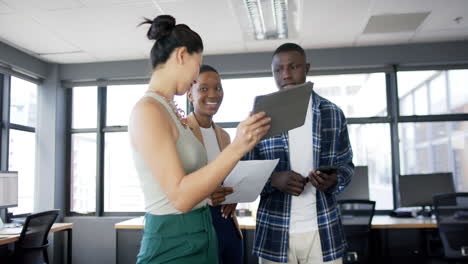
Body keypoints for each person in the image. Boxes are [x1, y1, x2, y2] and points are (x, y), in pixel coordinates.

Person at [129, 15, 270, 264]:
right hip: (172, 245)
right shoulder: (148, 110)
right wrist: (238, 146)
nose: (197, 77)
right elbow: (180, 198)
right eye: (198, 64)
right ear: (182, 55)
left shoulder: (171, 110)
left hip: (201, 236)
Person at [243, 43, 354, 264]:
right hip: (275, 231)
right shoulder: (260, 117)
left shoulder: (332, 113)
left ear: (307, 68)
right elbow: (246, 176)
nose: (285, 75)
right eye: (278, 70)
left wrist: (333, 180)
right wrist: (274, 180)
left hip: (323, 231)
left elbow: (347, 166)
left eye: (293, 67)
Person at [187, 64, 244, 264]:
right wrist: (205, 195)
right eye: (203, 88)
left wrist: (235, 195)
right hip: (197, 225)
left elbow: (229, 179)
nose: (213, 94)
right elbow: (175, 185)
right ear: (190, 94)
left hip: (226, 221)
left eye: (218, 88)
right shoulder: (180, 132)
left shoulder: (225, 136)